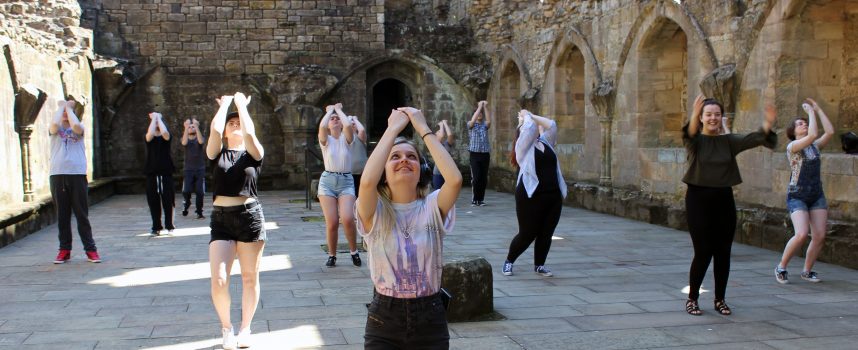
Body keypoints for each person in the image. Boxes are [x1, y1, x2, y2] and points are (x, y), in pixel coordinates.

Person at [356, 107, 462, 349]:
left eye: (411, 156)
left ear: (421, 170)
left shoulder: (433, 206)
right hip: (384, 318)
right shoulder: (374, 211)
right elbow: (366, 181)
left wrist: (423, 128)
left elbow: (454, 179)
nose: (404, 159)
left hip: (431, 317)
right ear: (383, 171)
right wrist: (392, 129)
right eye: (395, 156)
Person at [682, 95, 776, 316]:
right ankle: (692, 298)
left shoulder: (729, 142)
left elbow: (757, 138)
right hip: (698, 199)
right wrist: (694, 114)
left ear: (722, 117)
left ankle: (720, 299)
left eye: (717, 114)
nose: (713, 118)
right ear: (702, 118)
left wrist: (768, 123)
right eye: (709, 114)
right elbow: (689, 133)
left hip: (723, 199)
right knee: (703, 252)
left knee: (723, 252)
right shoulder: (695, 141)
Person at [206, 92, 266, 350]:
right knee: (219, 279)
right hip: (220, 219)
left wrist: (242, 106)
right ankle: (226, 328)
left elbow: (250, 134)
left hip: (249, 217)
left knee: (250, 277)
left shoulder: (254, 153)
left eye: (238, 122)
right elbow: (214, 129)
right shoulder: (216, 151)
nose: (236, 125)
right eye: (232, 124)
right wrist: (227, 104)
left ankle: (245, 328)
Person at [775, 98, 834, 284]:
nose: (805, 125)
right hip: (797, 194)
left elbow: (830, 131)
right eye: (800, 124)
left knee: (819, 236)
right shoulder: (792, 147)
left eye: (805, 123)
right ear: (793, 132)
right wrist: (810, 112)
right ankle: (781, 267)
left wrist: (817, 109)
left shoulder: (814, 147)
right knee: (801, 234)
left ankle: (807, 271)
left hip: (816, 194)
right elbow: (813, 134)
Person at [501, 110, 566, 278]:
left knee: (546, 233)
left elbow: (551, 125)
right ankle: (509, 261)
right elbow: (529, 129)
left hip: (553, 196)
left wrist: (531, 115)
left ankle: (540, 265)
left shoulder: (546, 143)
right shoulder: (522, 148)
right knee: (527, 233)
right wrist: (525, 118)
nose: (535, 127)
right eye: (528, 127)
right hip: (530, 197)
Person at [49, 99, 100, 264]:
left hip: (76, 174)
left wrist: (69, 108)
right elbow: (54, 125)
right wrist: (60, 107)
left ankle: (90, 249)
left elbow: (77, 127)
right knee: (62, 216)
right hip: (58, 175)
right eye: (63, 112)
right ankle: (64, 250)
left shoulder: (79, 129)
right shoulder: (54, 130)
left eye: (67, 112)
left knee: (81, 215)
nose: (64, 114)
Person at [318, 103, 360, 267]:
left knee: (348, 218)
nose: (335, 120)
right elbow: (322, 126)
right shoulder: (325, 140)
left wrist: (339, 110)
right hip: (327, 181)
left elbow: (348, 125)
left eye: (337, 119)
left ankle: (353, 251)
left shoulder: (347, 139)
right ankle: (332, 255)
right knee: (333, 222)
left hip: (346, 181)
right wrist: (329, 111)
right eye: (332, 119)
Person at [144, 112, 176, 236]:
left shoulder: (166, 138)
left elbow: (165, 133)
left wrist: (159, 118)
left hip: (166, 174)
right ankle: (156, 226)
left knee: (168, 200)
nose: (157, 125)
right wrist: (154, 119)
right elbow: (150, 134)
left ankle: (170, 226)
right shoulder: (149, 139)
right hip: (152, 174)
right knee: (153, 201)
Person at [181, 117, 206, 219]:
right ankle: (187, 204)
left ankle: (199, 211)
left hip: (200, 169)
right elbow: (184, 143)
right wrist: (186, 127)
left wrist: (196, 126)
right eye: (190, 127)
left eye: (193, 127)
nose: (191, 128)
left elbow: (200, 141)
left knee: (200, 192)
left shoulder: (200, 138)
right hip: (188, 170)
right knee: (186, 190)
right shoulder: (185, 138)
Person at [467, 100, 491, 206]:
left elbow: (489, 121)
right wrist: (479, 107)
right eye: (478, 113)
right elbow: (472, 121)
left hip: (485, 154)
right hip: (475, 155)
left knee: (483, 178)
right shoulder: (471, 125)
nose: (480, 115)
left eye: (481, 114)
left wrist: (485, 107)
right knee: (476, 178)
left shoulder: (484, 126)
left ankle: (480, 199)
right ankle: (474, 199)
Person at [433, 119, 456, 190]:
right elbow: (442, 136)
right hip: (438, 174)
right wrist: (441, 125)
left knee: (448, 195)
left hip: (448, 173)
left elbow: (450, 135)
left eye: (440, 131)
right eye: (438, 132)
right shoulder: (434, 144)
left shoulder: (446, 144)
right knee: (438, 194)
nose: (441, 132)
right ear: (435, 136)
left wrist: (445, 123)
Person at [349, 115, 368, 198]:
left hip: (361, 173)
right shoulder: (343, 138)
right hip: (348, 174)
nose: (353, 124)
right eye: (351, 123)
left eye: (354, 124)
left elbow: (362, 130)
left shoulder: (360, 137)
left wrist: (355, 119)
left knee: (361, 196)